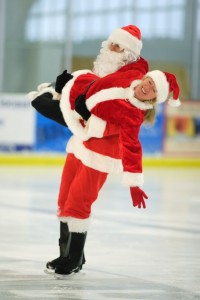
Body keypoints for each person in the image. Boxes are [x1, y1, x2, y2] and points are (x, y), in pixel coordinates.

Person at [28, 25, 168, 277]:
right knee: (64, 199)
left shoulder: (129, 95)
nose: (112, 49)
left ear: (129, 55)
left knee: (78, 202)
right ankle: (68, 255)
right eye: (112, 44)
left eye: (119, 47)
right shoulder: (104, 74)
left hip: (100, 155)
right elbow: (85, 97)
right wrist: (63, 91)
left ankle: (73, 258)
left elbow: (120, 132)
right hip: (80, 143)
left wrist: (85, 114)